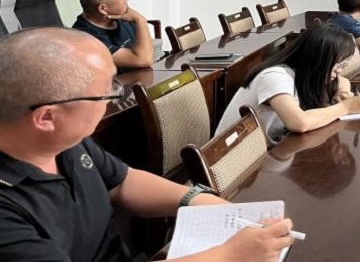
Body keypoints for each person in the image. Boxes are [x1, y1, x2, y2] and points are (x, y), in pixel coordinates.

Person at [0, 27, 295, 261]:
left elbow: (122, 182)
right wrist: (228, 255)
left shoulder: (64, 142)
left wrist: (196, 200)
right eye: (106, 94)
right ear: (47, 117)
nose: (114, 97)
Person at [216, 24, 360, 144]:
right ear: (319, 61)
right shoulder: (274, 77)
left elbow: (343, 81)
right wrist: (345, 107)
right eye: (337, 65)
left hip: (268, 153)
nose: (339, 71)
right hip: (233, 162)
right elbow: (299, 123)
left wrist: (342, 92)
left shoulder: (305, 73)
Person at [71, 0, 154, 69]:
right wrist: (141, 20)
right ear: (103, 9)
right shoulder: (85, 39)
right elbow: (144, 60)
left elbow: (148, 52)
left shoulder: (124, 19)